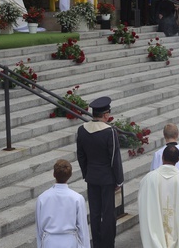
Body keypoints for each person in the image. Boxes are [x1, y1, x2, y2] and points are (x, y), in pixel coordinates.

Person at [76, 96, 124, 248]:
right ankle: (108, 244)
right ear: (105, 115)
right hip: (107, 179)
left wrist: (86, 173)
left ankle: (96, 243)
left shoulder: (82, 130)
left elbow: (81, 155)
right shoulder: (109, 132)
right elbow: (114, 159)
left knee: (95, 213)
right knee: (108, 215)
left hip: (92, 177)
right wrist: (119, 181)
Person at [139, 145, 179, 248]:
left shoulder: (148, 180)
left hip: (155, 239)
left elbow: (144, 207)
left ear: (162, 157)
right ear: (178, 160)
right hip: (178, 238)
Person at [36, 159, 91, 248]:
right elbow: (83, 229)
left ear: (54, 175)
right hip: (70, 242)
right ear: (70, 175)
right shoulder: (77, 198)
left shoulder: (42, 198)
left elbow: (39, 229)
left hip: (49, 242)